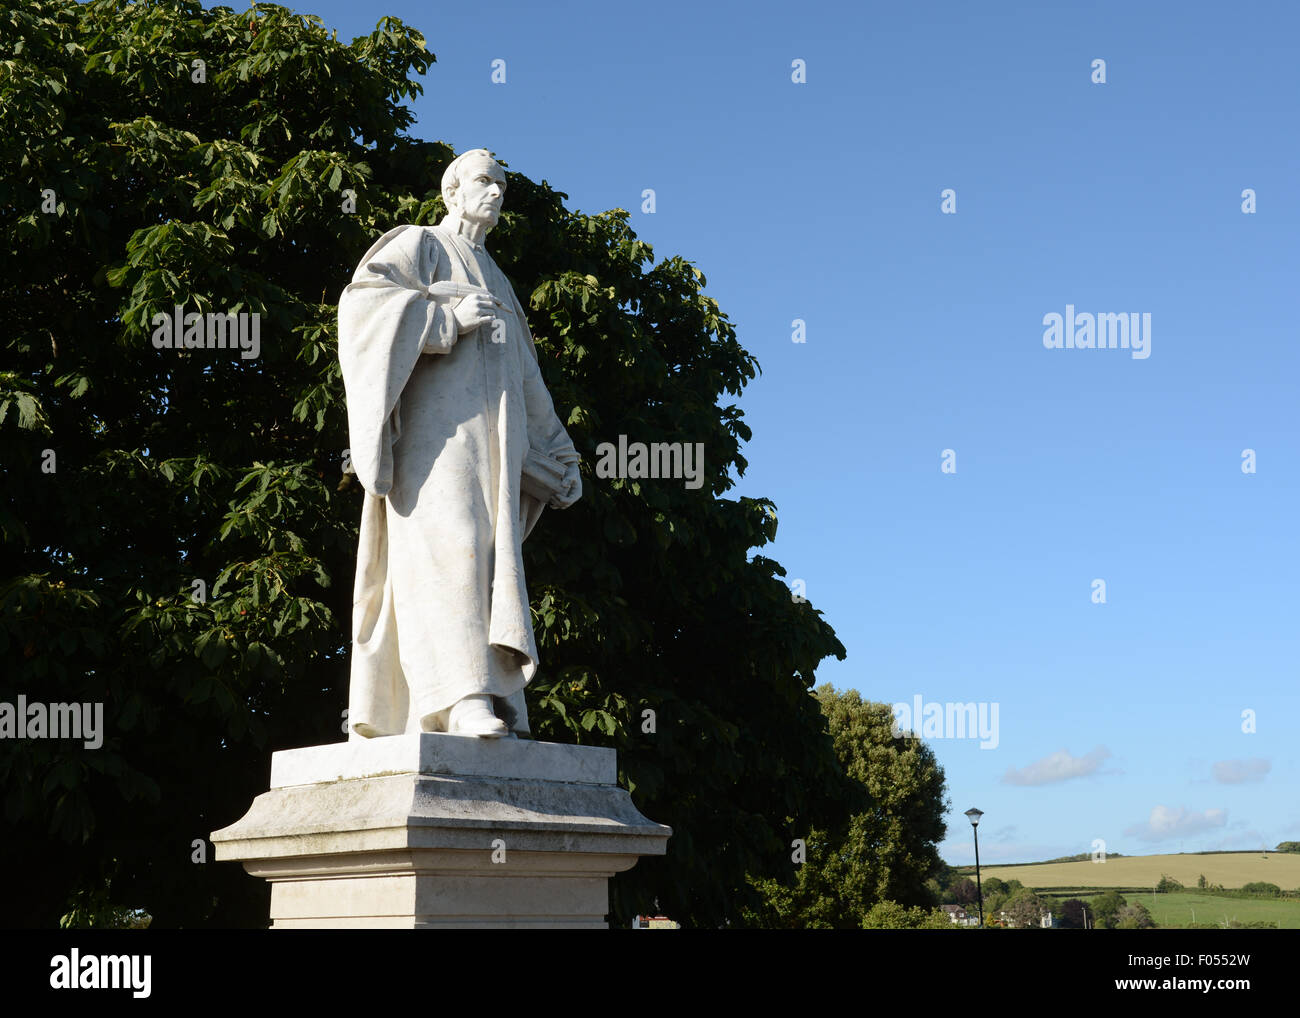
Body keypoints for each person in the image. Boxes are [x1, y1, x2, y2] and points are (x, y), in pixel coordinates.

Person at [338, 149, 580, 739]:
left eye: (501, 184)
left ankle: (495, 696)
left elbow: (526, 374)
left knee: (488, 560)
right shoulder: (418, 244)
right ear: (452, 192)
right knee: (451, 549)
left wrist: (556, 449)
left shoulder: (498, 277)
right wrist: (441, 321)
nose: (495, 192)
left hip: (494, 444)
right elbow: (360, 309)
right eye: (483, 182)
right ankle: (460, 697)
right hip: (433, 438)